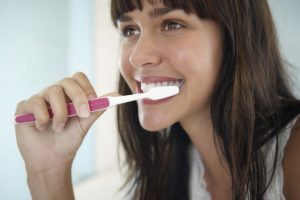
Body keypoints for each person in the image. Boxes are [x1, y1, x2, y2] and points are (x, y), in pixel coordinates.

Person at [14, 0, 300, 199]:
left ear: (235, 36)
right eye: (129, 30)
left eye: (172, 24)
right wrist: (48, 173)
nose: (137, 57)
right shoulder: (164, 171)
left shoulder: (293, 156)